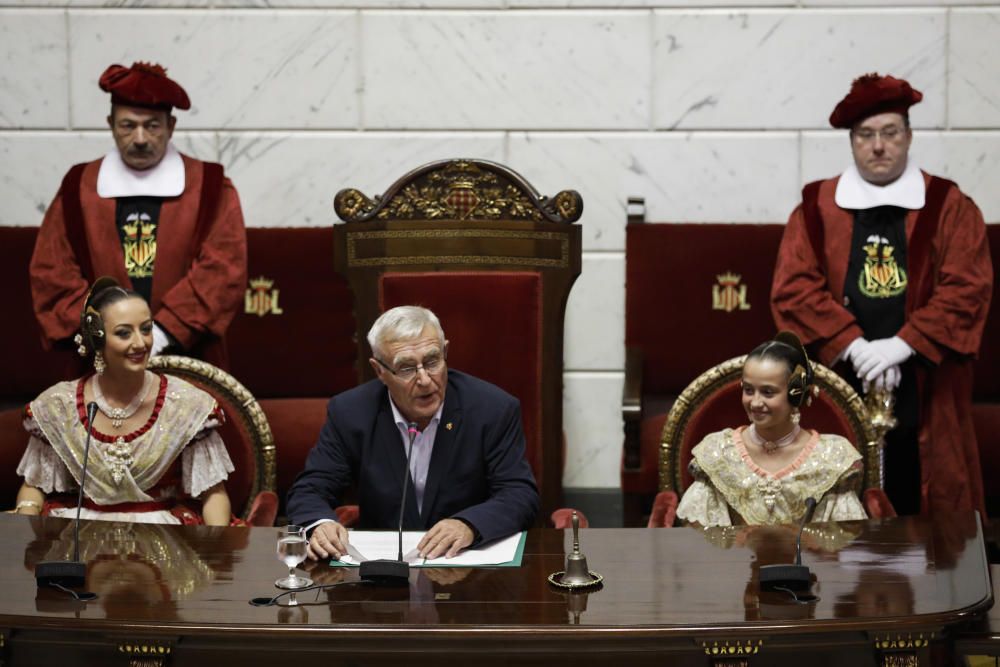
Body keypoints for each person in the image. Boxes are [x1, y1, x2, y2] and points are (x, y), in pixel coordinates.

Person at [771, 73, 993, 516]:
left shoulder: (948, 205)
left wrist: (901, 347)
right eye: (866, 135)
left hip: (926, 385)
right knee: (834, 507)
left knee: (930, 511)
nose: (878, 146)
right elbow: (794, 288)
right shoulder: (817, 207)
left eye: (890, 133)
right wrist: (852, 347)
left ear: (909, 136)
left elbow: (967, 288)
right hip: (839, 380)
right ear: (852, 142)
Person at [30, 62, 246, 368]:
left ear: (171, 126)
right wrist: (109, 335)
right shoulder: (79, 186)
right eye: (128, 125)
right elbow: (52, 272)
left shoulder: (210, 186)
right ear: (110, 123)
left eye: (153, 125)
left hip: (187, 360)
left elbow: (222, 271)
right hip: (101, 362)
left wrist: (159, 334)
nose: (141, 138)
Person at [287, 306, 539, 561]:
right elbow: (310, 489)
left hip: (466, 569)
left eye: (432, 362)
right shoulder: (351, 413)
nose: (425, 380)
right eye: (407, 368)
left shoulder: (492, 409)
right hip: (382, 577)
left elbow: (519, 494)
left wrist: (469, 525)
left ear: (446, 353)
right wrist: (319, 525)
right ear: (379, 371)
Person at [13, 277, 235, 525]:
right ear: (97, 340)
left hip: (165, 537)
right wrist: (26, 522)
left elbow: (214, 495)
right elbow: (34, 487)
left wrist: (215, 551)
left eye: (147, 329)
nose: (140, 343)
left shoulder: (187, 405)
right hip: (79, 534)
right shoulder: (58, 405)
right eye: (123, 333)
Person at [676, 332, 868, 527]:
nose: (756, 403)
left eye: (768, 392)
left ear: (796, 395)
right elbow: (699, 541)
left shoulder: (831, 457)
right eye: (749, 390)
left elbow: (843, 543)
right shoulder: (718, 453)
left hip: (808, 559)